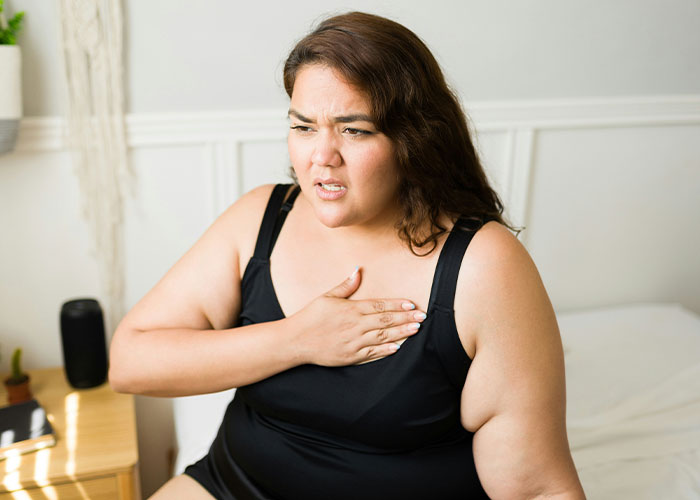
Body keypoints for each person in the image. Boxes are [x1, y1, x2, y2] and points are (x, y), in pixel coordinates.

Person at [109, 11, 585, 500]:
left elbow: (539, 489)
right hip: (233, 484)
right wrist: (296, 339)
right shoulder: (260, 217)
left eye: (354, 130)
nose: (322, 156)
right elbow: (130, 362)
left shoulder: (484, 264)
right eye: (303, 127)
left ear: (414, 138)